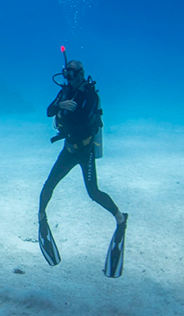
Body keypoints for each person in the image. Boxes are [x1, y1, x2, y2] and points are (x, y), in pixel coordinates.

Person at [37, 60, 128, 278]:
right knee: (49, 185)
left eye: (72, 74)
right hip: (68, 150)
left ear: (81, 74)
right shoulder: (64, 93)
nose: (69, 79)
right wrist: (61, 105)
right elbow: (49, 111)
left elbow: (84, 120)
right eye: (66, 74)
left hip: (85, 151)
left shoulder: (90, 94)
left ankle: (120, 219)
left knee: (93, 192)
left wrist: (67, 109)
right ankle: (41, 219)